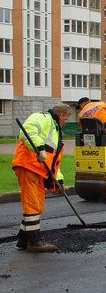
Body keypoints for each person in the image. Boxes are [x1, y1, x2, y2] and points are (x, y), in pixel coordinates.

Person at [12, 104, 72, 252]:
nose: (66, 121)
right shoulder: (42, 117)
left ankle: (23, 239)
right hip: (28, 165)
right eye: (67, 118)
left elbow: (53, 161)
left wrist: (59, 180)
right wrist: (39, 148)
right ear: (62, 115)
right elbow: (28, 130)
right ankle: (34, 242)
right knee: (32, 204)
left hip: (39, 170)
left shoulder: (56, 130)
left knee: (37, 205)